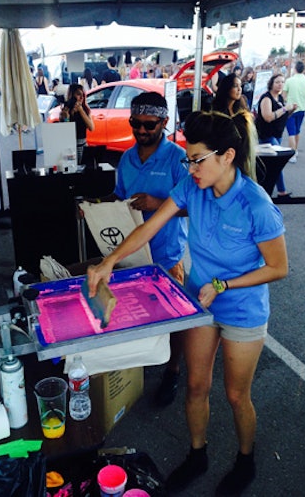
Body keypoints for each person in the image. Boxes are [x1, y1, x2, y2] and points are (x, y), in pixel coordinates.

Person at [87, 109, 288, 496]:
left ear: (227, 156)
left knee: (235, 394)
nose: (191, 168)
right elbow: (149, 225)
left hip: (242, 309)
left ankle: (245, 459)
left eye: (197, 159)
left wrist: (223, 284)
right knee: (195, 385)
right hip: (201, 301)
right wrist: (107, 263)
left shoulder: (256, 204)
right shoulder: (192, 189)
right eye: (188, 159)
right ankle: (198, 455)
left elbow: (278, 267)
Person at [88, 91, 189, 406]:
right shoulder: (127, 158)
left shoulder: (177, 158)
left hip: (167, 255)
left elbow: (193, 205)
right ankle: (144, 363)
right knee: (139, 313)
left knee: (173, 320)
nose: (141, 130)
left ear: (164, 122)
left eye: (149, 124)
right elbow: (120, 197)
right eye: (136, 123)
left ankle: (172, 370)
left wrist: (158, 203)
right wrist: (96, 208)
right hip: (133, 255)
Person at [256, 73, 297, 198]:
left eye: (282, 82)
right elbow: (268, 117)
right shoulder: (266, 98)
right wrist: (285, 109)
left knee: (272, 165)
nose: (280, 85)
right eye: (277, 82)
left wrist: (290, 110)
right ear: (271, 84)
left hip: (276, 134)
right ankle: (281, 191)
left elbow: (280, 117)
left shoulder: (279, 99)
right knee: (276, 163)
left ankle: (270, 189)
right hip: (267, 135)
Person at [282, 60, 305, 163]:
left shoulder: (289, 81)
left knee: (291, 132)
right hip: (302, 108)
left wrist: (286, 103)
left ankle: (292, 153)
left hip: (291, 108)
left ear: (295, 69)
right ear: (304, 69)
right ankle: (295, 150)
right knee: (297, 130)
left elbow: (283, 95)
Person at [60, 84, 94, 164]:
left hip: (83, 146)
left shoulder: (85, 109)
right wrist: (67, 117)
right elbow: (65, 132)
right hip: (70, 147)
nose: (81, 97)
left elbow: (91, 127)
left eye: (83, 95)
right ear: (72, 95)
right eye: (78, 94)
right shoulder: (66, 109)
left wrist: (81, 110)